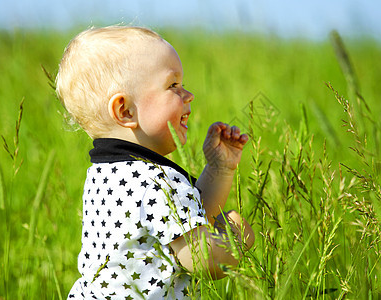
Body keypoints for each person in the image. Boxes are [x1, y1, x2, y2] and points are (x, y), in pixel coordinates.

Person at [56, 25, 255, 299]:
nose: (189, 95)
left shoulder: (103, 174)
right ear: (125, 110)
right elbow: (200, 259)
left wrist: (219, 168)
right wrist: (236, 237)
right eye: (173, 85)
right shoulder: (156, 181)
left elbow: (189, 219)